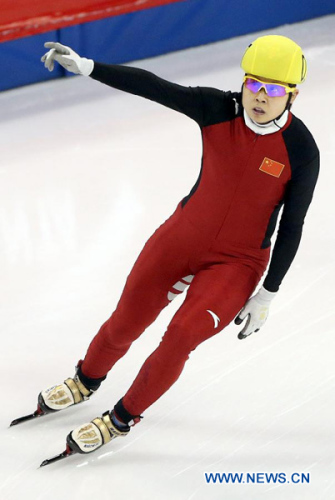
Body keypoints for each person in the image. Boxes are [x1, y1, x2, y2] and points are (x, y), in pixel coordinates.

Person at [36, 35, 319, 456]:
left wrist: (268, 293)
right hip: (182, 236)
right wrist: (91, 67)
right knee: (126, 319)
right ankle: (86, 379)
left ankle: (121, 418)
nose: (260, 97)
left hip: (237, 263)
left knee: (181, 336)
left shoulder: (301, 150)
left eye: (274, 90)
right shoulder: (217, 108)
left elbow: (292, 227)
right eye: (254, 84)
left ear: (292, 95)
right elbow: (154, 86)